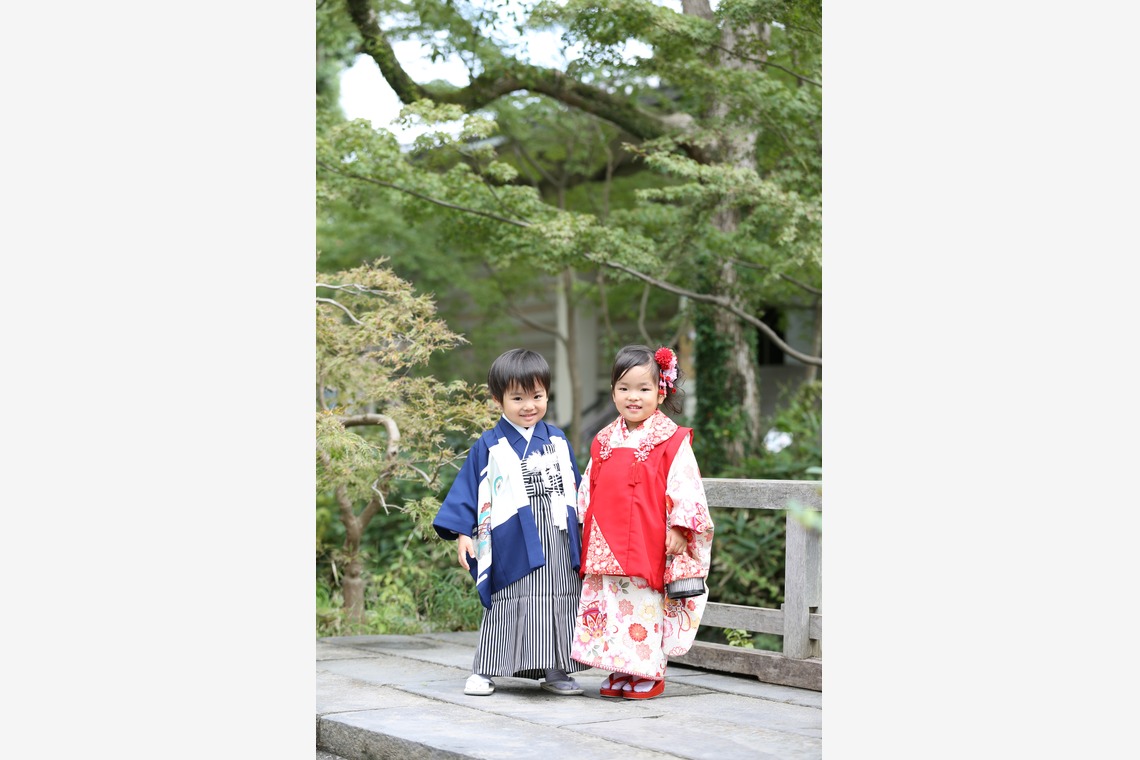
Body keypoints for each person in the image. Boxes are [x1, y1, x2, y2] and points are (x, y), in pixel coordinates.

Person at [432, 348, 588, 696]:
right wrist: (462, 533)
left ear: (547, 393)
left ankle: (556, 669)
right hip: (511, 536)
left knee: (559, 597)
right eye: (517, 397)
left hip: (558, 536)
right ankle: (485, 669)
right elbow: (468, 490)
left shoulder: (557, 440)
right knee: (510, 597)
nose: (529, 405)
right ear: (497, 399)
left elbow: (578, 489)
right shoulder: (489, 444)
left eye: (537, 396)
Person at [571, 344, 714, 699]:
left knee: (643, 603)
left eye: (643, 388)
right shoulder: (604, 439)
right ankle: (620, 667)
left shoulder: (672, 439)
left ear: (660, 391)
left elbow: (686, 484)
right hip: (606, 535)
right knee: (611, 602)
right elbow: (588, 487)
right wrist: (581, 523)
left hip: (650, 535)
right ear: (613, 391)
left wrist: (681, 527)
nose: (633, 397)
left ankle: (648, 670)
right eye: (624, 388)